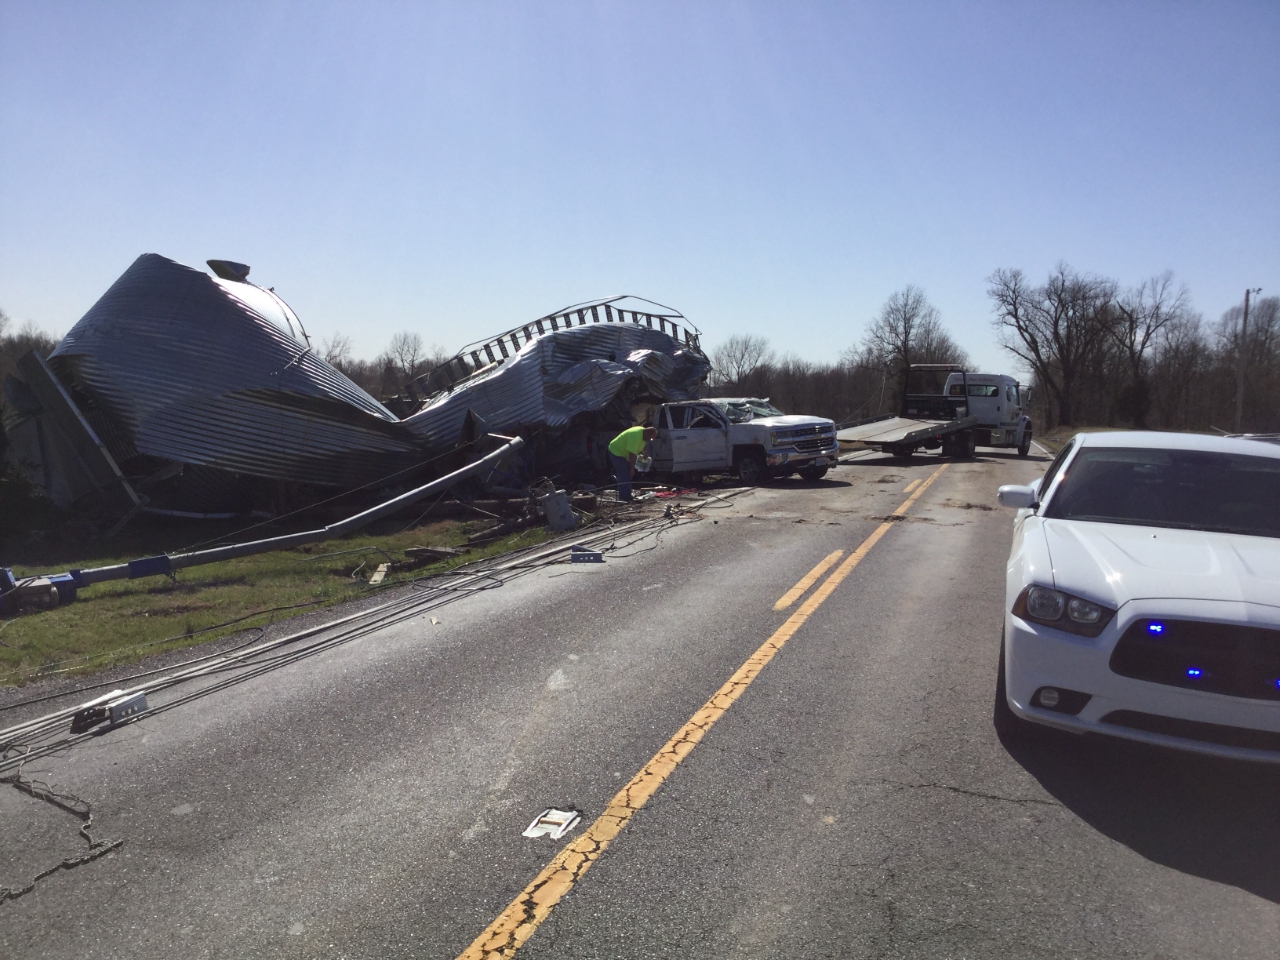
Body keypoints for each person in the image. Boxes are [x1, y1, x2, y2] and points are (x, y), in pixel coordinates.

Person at [607, 425, 656, 502]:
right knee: (624, 472)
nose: (650, 440)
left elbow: (642, 443)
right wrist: (632, 468)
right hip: (616, 451)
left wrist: (644, 453)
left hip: (624, 453)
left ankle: (627, 493)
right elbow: (632, 454)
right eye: (650, 438)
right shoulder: (635, 436)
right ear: (647, 433)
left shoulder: (643, 434)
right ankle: (624, 496)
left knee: (628, 473)